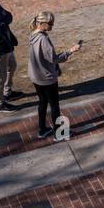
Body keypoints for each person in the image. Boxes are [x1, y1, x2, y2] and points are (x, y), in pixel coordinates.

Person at [28, 10, 81, 139]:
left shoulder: (33, 35)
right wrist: (71, 51)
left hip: (36, 76)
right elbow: (54, 59)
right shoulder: (43, 39)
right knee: (54, 105)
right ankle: (59, 133)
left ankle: (42, 129)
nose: (52, 25)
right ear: (42, 23)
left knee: (42, 102)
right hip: (47, 78)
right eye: (50, 23)